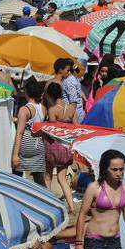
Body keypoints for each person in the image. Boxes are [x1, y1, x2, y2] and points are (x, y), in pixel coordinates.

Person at [43, 83, 77, 214]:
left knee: (48, 177)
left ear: (50, 95)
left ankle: (48, 205)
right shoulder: (71, 108)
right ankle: (72, 206)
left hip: (53, 147)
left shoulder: (52, 110)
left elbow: (52, 131)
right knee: (62, 179)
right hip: (66, 147)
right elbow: (76, 127)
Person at [11, 78, 47, 187]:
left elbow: (20, 133)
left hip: (25, 146)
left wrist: (15, 155)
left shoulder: (24, 109)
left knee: (16, 178)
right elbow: (34, 123)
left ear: (26, 92)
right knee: (39, 180)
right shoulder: (43, 108)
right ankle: (46, 201)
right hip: (38, 145)